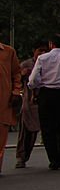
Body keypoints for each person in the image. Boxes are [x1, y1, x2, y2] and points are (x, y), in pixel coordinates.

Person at [27, 33, 60, 170]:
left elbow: (33, 80)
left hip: (46, 94)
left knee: (47, 129)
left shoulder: (42, 58)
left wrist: (37, 85)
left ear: (51, 44)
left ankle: (54, 160)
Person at [15, 42, 45, 168]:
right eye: (40, 51)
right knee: (25, 132)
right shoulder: (26, 65)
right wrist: (22, 74)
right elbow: (16, 79)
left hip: (43, 102)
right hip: (28, 103)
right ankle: (21, 157)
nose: (42, 54)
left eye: (45, 51)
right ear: (34, 51)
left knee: (40, 133)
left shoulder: (48, 63)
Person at [0, 35, 22, 175]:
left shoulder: (8, 52)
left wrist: (15, 91)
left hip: (3, 103)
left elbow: (16, 73)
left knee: (1, 137)